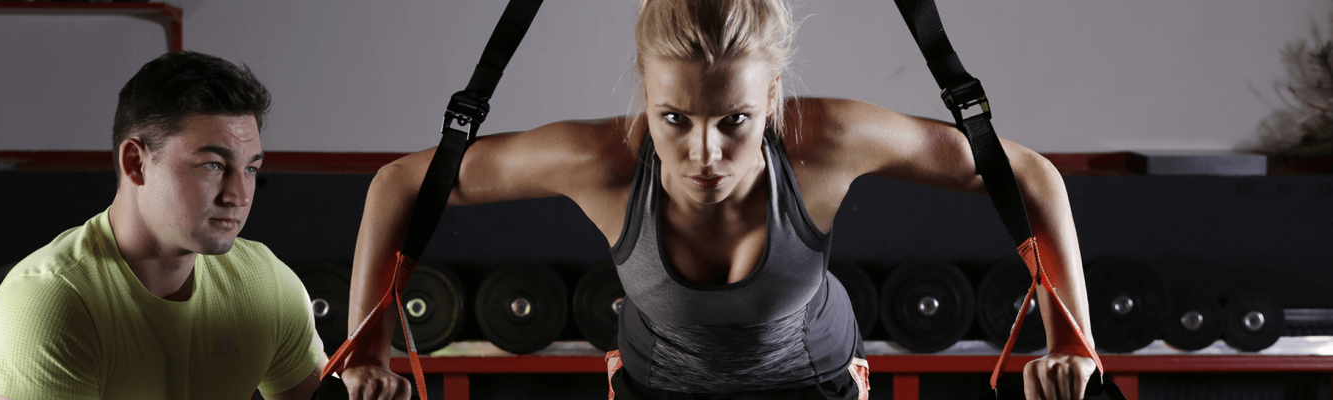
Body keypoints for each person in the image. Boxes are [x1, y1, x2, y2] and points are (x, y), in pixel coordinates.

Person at [340, 1, 1096, 399]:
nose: (704, 153)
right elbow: (402, 184)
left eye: (734, 121)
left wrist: (1073, 344)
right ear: (646, 94)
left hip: (815, 384)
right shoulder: (602, 161)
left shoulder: (823, 140)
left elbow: (1025, 174)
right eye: (676, 119)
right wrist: (365, 355)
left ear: (771, 96)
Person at [0, 52, 325, 400]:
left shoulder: (265, 283)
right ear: (135, 162)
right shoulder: (49, 302)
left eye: (251, 169)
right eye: (213, 165)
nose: (238, 196)